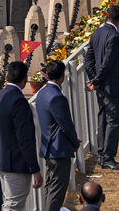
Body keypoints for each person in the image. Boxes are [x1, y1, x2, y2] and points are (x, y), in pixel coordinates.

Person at [0, 61, 41, 211]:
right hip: (16, 163)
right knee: (13, 206)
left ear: (6, 77)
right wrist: (35, 168)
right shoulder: (19, 101)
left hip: (0, 159)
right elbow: (24, 138)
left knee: (9, 203)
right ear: (25, 80)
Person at [85, 4, 119, 169]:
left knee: (104, 117)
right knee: (113, 120)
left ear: (106, 17)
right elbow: (107, 63)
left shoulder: (97, 32)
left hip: (102, 85)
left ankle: (103, 152)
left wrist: (93, 78)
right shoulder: (115, 37)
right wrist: (96, 80)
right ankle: (108, 156)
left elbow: (89, 59)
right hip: (111, 85)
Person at [35, 60, 80, 211]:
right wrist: (75, 143)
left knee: (50, 188)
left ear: (47, 74)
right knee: (56, 191)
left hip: (48, 148)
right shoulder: (57, 96)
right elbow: (66, 125)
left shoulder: (41, 93)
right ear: (63, 76)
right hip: (59, 149)